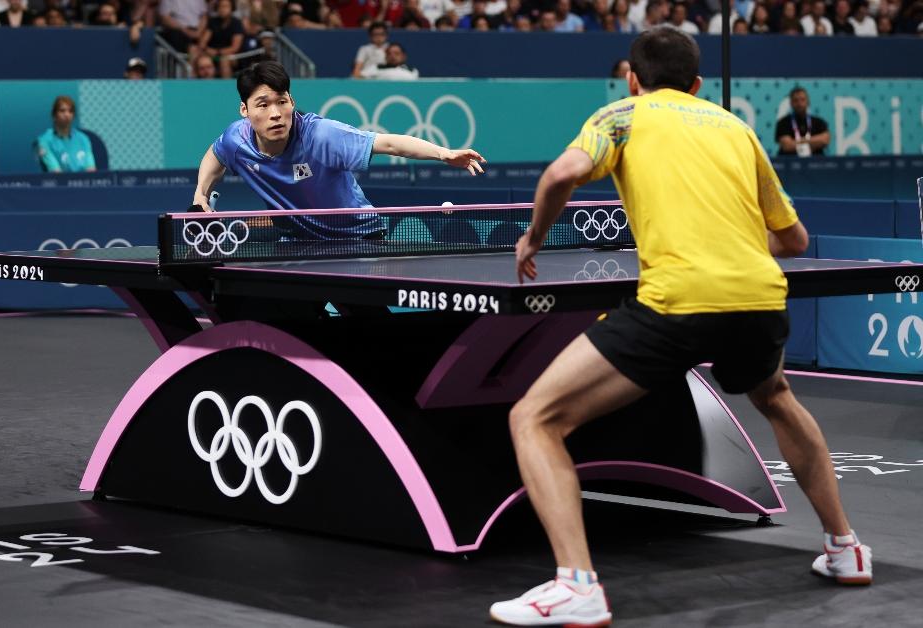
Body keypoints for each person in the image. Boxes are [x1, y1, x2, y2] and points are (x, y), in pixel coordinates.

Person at [491, 27, 870, 627]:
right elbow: (793, 240)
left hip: (679, 302)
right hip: (760, 300)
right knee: (775, 396)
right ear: (696, 84)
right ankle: (845, 548)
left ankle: (577, 585)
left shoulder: (622, 116)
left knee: (533, 418)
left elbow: (559, 176)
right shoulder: (736, 127)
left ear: (633, 79)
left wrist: (531, 239)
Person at [192, 61, 485, 240]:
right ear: (245, 110)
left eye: (282, 101)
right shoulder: (236, 140)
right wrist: (200, 195)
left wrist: (444, 153)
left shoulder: (321, 136)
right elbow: (214, 157)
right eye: (263, 104)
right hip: (296, 241)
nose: (276, 113)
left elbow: (389, 143)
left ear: (292, 101)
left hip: (357, 237)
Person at [35, 96, 97, 172]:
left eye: (70, 111)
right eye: (62, 111)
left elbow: (91, 169)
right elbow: (55, 172)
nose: (67, 115)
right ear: (54, 115)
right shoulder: (44, 141)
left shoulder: (83, 138)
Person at [776, 86, 830, 156]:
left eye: (802, 100)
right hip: (790, 163)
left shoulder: (819, 122)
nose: (799, 104)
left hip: (816, 163)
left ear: (808, 102)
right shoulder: (783, 123)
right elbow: (787, 146)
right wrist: (814, 142)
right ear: (791, 103)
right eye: (796, 100)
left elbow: (825, 140)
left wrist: (799, 141)